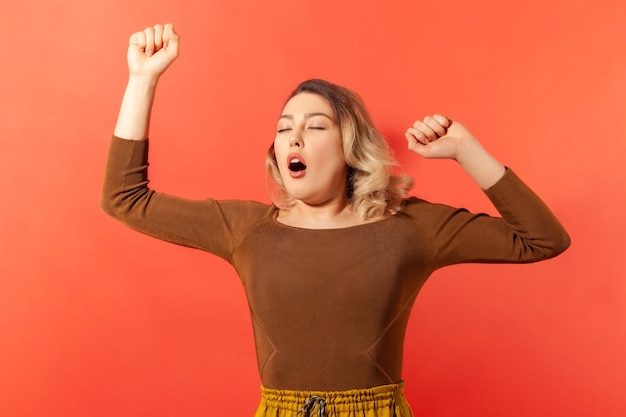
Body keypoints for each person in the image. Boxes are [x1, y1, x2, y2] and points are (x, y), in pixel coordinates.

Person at [102, 23, 570, 417]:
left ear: (350, 147)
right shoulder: (247, 229)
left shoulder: (409, 227)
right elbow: (124, 198)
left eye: (316, 125)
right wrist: (142, 79)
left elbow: (542, 240)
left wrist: (468, 151)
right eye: (285, 127)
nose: (294, 137)